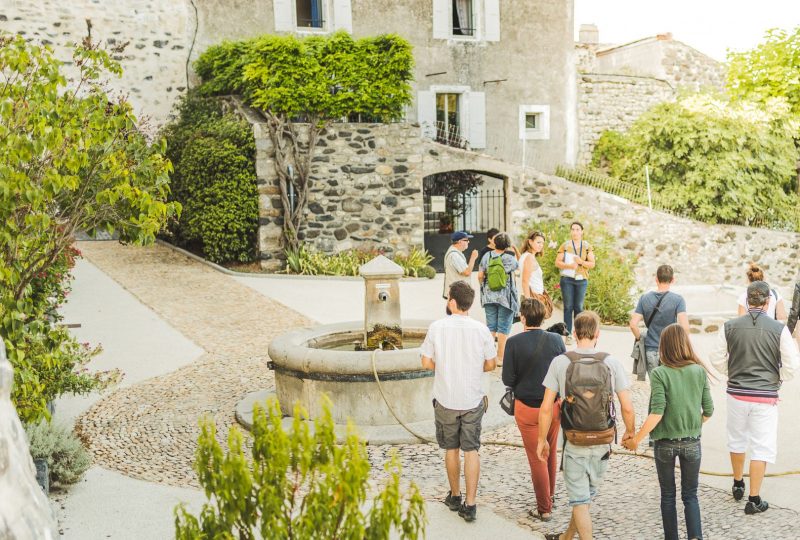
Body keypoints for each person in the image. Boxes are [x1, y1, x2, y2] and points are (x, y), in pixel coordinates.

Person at [537, 311, 636, 540]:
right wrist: (630, 433)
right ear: (598, 334)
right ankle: (566, 537)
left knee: (580, 501)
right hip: (602, 441)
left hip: (574, 441)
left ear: (574, 333)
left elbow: (545, 408)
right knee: (583, 499)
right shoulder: (611, 362)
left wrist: (542, 440)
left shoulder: (560, 362)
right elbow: (627, 407)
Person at [709, 281, 800, 515]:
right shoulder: (779, 330)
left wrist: (732, 372)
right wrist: (776, 377)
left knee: (736, 439)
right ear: (768, 301)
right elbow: (792, 366)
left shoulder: (729, 326)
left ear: (747, 300)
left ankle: (738, 482)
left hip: (736, 393)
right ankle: (754, 498)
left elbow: (716, 358)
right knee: (762, 446)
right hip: (765, 396)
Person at [623, 324, 714, 540]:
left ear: (664, 346)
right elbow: (709, 411)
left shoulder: (659, 373)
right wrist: (693, 423)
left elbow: (657, 412)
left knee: (668, 495)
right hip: (692, 443)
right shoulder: (698, 371)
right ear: (685, 344)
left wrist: (636, 439)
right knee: (691, 495)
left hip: (664, 444)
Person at [420, 280, 497, 523]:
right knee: (471, 451)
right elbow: (492, 364)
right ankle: (471, 503)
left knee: (451, 450)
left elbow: (425, 362)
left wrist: (441, 366)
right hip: (472, 398)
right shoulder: (481, 329)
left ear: (452, 302)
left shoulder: (437, 327)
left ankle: (455, 496)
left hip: (445, 398)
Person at [502, 297, 566, 522]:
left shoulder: (513, 343)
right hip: (553, 406)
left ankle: (544, 508)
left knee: (536, 456)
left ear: (522, 318)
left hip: (527, 408)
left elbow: (507, 378)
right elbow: (563, 372)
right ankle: (550, 496)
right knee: (550, 451)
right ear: (543, 316)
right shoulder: (557, 340)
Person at [629, 265, 689, 379]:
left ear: (656, 279)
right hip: (670, 350)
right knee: (670, 385)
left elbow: (633, 325)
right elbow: (685, 327)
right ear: (672, 280)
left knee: (656, 386)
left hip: (651, 349)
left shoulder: (644, 298)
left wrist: (640, 338)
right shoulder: (678, 300)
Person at [477, 232, 519, 365]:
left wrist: (484, 288)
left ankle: (489, 357)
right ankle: (500, 358)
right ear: (507, 245)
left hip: (489, 297)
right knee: (503, 328)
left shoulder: (486, 256)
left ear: (495, 243)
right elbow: (518, 267)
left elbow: (480, 275)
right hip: (505, 298)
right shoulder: (510, 258)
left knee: (491, 327)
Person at [555, 222, 596, 344]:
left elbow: (592, 264)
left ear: (582, 231)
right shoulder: (566, 245)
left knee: (579, 307)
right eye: (573, 229)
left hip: (581, 280)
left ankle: (579, 333)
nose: (575, 232)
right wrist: (569, 265)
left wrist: (581, 262)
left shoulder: (587, 246)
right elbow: (557, 262)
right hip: (567, 279)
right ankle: (567, 334)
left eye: (577, 229)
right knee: (568, 307)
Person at [519, 231, 554, 319]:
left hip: (534, 297)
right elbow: (525, 281)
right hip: (532, 298)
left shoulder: (526, 256)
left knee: (530, 327)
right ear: (530, 242)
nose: (541, 245)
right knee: (532, 328)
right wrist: (528, 302)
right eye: (538, 242)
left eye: (542, 243)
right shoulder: (529, 257)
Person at [442, 231, 479, 300]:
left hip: (457, 292)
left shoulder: (455, 252)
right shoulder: (454, 255)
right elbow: (467, 272)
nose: (468, 242)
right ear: (460, 241)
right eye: (466, 240)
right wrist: (473, 258)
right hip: (458, 294)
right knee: (459, 311)